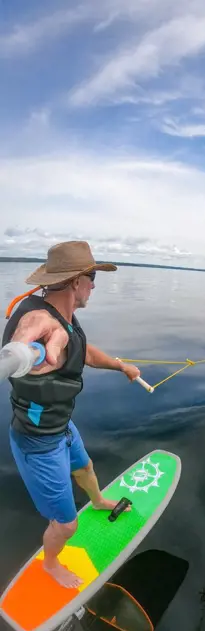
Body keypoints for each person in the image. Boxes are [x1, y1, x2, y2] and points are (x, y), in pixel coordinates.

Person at [2, 241, 141, 589]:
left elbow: (83, 350)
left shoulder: (64, 316)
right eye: (91, 277)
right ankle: (50, 564)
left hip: (62, 426)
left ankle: (96, 501)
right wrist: (28, 352)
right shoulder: (42, 319)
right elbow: (41, 336)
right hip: (38, 442)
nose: (94, 284)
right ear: (76, 281)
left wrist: (121, 366)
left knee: (86, 468)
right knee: (65, 525)